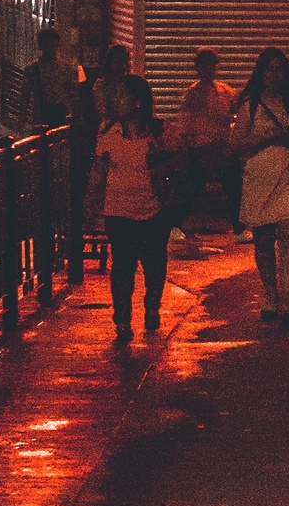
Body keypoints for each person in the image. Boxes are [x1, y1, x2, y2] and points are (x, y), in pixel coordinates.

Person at [231, 47, 289, 328]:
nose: (275, 75)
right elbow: (235, 145)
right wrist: (269, 138)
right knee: (263, 242)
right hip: (259, 179)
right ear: (261, 72)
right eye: (270, 69)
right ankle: (270, 294)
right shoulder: (250, 106)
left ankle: (286, 302)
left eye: (280, 69)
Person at [94, 75, 173, 341]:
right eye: (115, 95)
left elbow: (178, 162)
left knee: (154, 263)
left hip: (154, 209)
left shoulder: (159, 131)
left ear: (138, 102)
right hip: (118, 210)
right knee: (123, 267)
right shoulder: (108, 132)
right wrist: (90, 208)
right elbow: (99, 173)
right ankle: (123, 321)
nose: (117, 101)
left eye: (123, 96)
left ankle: (152, 306)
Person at [177, 48, 239, 236]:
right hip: (200, 148)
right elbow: (185, 120)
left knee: (234, 185)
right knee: (192, 187)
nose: (208, 69)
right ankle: (176, 224)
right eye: (203, 65)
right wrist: (186, 144)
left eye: (211, 64)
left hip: (221, 147)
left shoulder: (224, 91)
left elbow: (236, 111)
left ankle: (239, 227)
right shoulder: (193, 93)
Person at [19, 26, 74, 129]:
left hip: (61, 114)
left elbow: (71, 92)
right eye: (47, 46)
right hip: (41, 117)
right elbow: (25, 94)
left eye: (53, 45)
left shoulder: (65, 69)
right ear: (41, 46)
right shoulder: (32, 69)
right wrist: (21, 118)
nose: (50, 49)